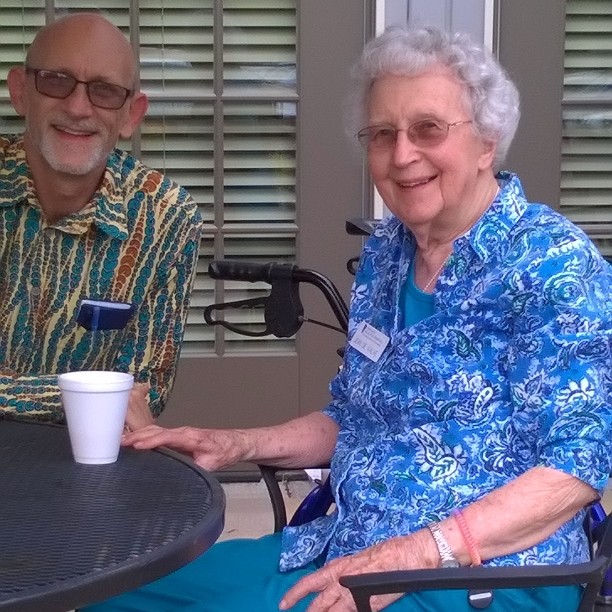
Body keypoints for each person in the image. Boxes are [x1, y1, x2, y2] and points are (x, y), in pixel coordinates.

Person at [86, 25, 612, 612]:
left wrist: (415, 555)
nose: (402, 155)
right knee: (112, 584)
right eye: (382, 134)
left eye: (428, 129)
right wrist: (234, 443)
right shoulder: (389, 252)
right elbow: (355, 418)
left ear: (487, 141)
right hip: (351, 547)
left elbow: (576, 469)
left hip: (483, 576)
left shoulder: (551, 263)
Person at [0, 12, 202, 430]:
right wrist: (82, 393)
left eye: (105, 91)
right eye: (56, 81)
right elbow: (118, 400)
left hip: (82, 453)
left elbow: (145, 391)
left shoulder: (165, 217)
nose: (78, 108)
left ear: (132, 114)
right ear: (20, 92)